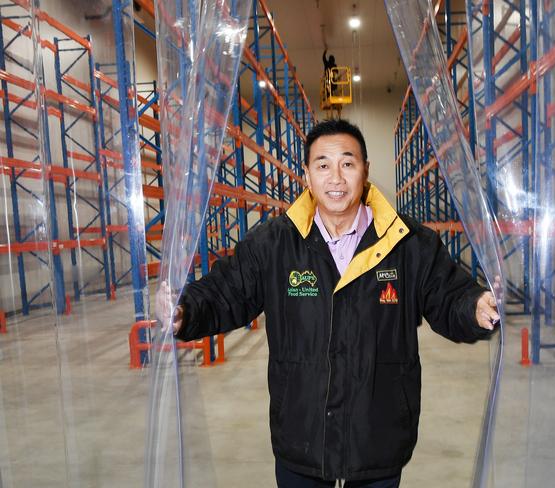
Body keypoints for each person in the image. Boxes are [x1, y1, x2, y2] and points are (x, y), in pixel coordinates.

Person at [157, 119, 499, 487]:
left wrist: (474, 306)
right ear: (307, 174)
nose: (336, 178)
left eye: (347, 164)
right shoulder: (275, 245)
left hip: (377, 436)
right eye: (323, 165)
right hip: (302, 435)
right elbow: (226, 292)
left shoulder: (407, 243)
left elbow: (447, 294)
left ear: (365, 170)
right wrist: (186, 310)